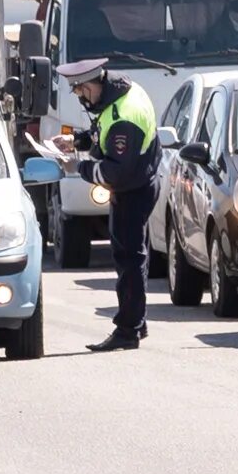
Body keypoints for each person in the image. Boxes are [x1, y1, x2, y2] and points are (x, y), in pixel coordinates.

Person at [52, 58, 161, 352]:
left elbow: (114, 171)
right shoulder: (122, 92)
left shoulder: (124, 114)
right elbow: (105, 135)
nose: (82, 100)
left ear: (90, 85)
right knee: (134, 257)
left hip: (131, 189)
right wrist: (76, 141)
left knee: (129, 260)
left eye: (80, 94)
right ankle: (137, 322)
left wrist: (78, 167)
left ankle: (127, 331)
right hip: (142, 182)